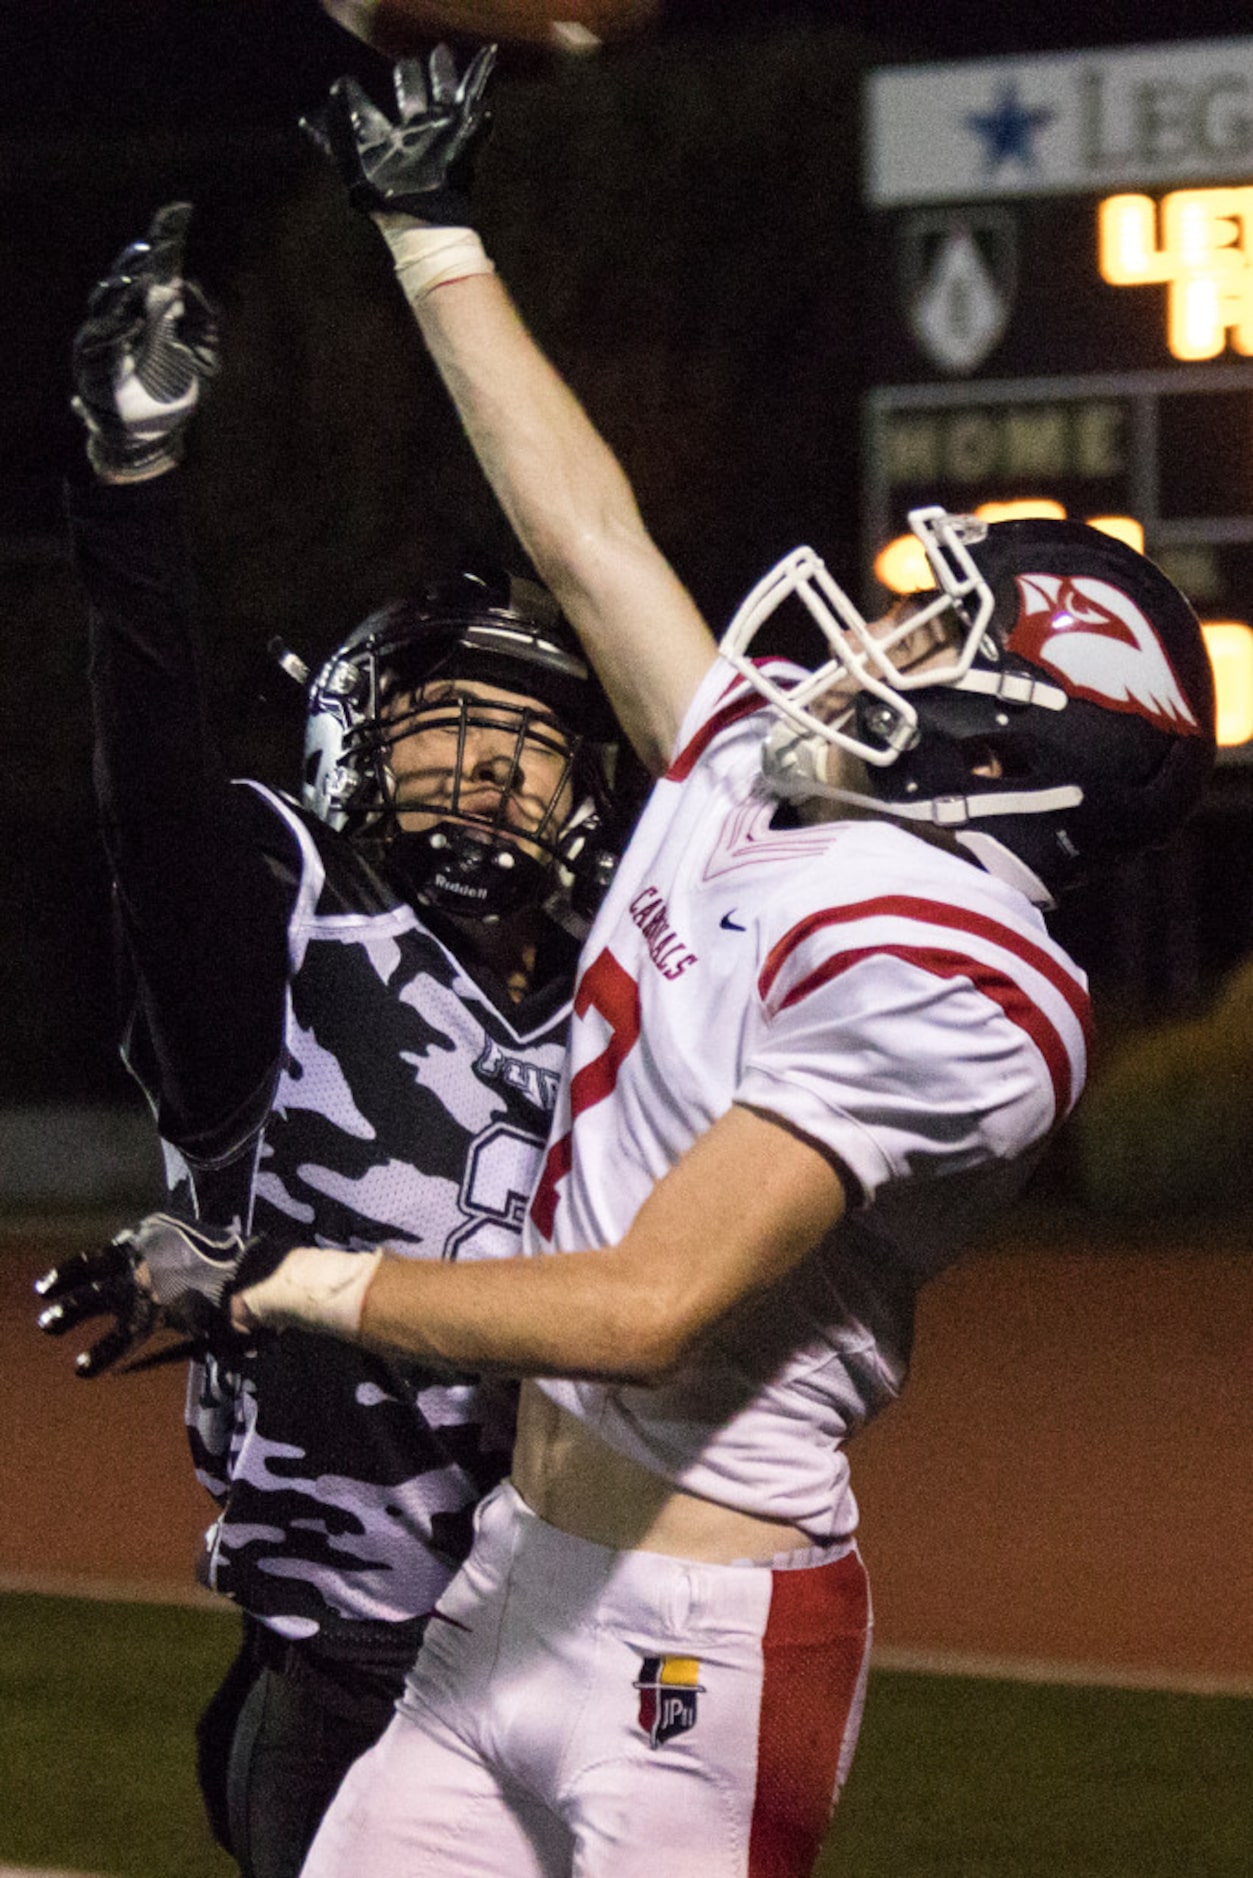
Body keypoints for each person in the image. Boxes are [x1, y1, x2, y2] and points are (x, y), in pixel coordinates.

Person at [43, 49, 1217, 1878]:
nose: (889, 635)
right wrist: (430, 231)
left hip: (704, 1645)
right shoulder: (800, 810)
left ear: (1011, 745)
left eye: (948, 633)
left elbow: (639, 1307)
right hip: (514, 1570)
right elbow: (586, 544)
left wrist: (284, 1276)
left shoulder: (956, 972)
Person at [35, 190, 620, 1878]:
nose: (498, 771)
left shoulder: (623, 985)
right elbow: (154, 813)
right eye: (453, 728)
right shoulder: (294, 913)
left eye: (536, 745)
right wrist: (129, 498)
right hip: (355, 1674)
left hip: (585, 1648)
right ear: (359, 749)